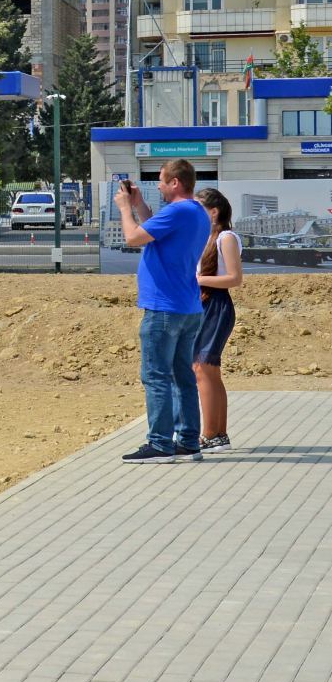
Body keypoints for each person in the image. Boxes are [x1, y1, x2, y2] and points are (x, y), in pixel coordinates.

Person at [114, 159, 211, 463]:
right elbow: (154, 231)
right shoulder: (196, 212)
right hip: (188, 307)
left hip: (164, 308)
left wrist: (124, 208)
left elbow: (133, 238)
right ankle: (188, 441)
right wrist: (140, 205)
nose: (157, 185)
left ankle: (159, 443)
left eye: (161, 180)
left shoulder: (178, 211)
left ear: (175, 183)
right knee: (182, 375)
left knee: (156, 375)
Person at [193, 188, 242, 453]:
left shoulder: (226, 237)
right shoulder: (206, 237)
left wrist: (197, 280)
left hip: (217, 305)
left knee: (203, 370)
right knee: (208, 371)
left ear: (214, 212)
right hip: (204, 304)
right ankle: (218, 435)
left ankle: (210, 435)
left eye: (199, 208)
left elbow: (235, 278)